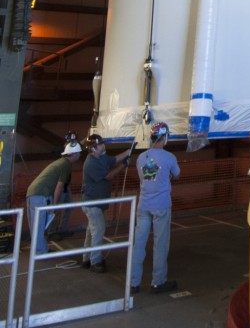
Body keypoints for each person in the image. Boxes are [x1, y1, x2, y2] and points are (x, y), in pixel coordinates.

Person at [130, 122, 180, 294]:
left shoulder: (140, 158)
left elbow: (143, 179)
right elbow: (177, 174)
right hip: (161, 206)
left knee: (139, 244)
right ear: (165, 137)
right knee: (160, 244)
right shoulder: (169, 157)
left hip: (143, 205)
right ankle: (158, 282)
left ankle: (133, 282)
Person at [81, 133, 133, 272]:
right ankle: (95, 261)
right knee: (98, 230)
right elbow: (108, 176)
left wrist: (128, 151)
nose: (103, 146)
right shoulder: (91, 164)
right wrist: (124, 165)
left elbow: (113, 160)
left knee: (91, 231)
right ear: (93, 149)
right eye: (100, 145)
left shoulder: (101, 157)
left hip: (95, 202)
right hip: (92, 203)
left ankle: (87, 258)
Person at [25, 138, 83, 254]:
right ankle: (40, 251)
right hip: (41, 195)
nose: (80, 155)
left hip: (34, 192)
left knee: (37, 224)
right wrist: (54, 206)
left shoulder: (60, 162)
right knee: (40, 224)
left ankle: (40, 249)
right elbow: (59, 186)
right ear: (74, 154)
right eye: (79, 153)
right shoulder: (65, 166)